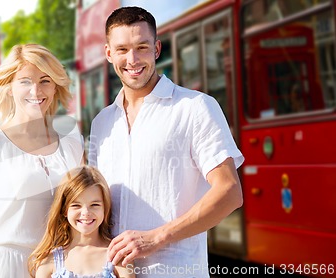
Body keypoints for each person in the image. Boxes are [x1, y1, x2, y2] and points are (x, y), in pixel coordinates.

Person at [88, 7, 244, 278]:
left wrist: (156, 238)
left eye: (142, 47)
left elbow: (230, 192)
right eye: (122, 49)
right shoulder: (102, 123)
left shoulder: (196, 107)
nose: (133, 59)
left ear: (157, 49)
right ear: (109, 53)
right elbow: (94, 203)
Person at [0, 44, 84, 278]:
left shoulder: (72, 143)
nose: (36, 91)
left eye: (45, 81)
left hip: (59, 265)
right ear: (9, 88)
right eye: (25, 81)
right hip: (5, 266)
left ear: (56, 86)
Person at [29, 166, 134, 278]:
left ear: (105, 208)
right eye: (76, 205)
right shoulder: (48, 262)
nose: (86, 212)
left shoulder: (118, 257)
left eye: (94, 205)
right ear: (64, 209)